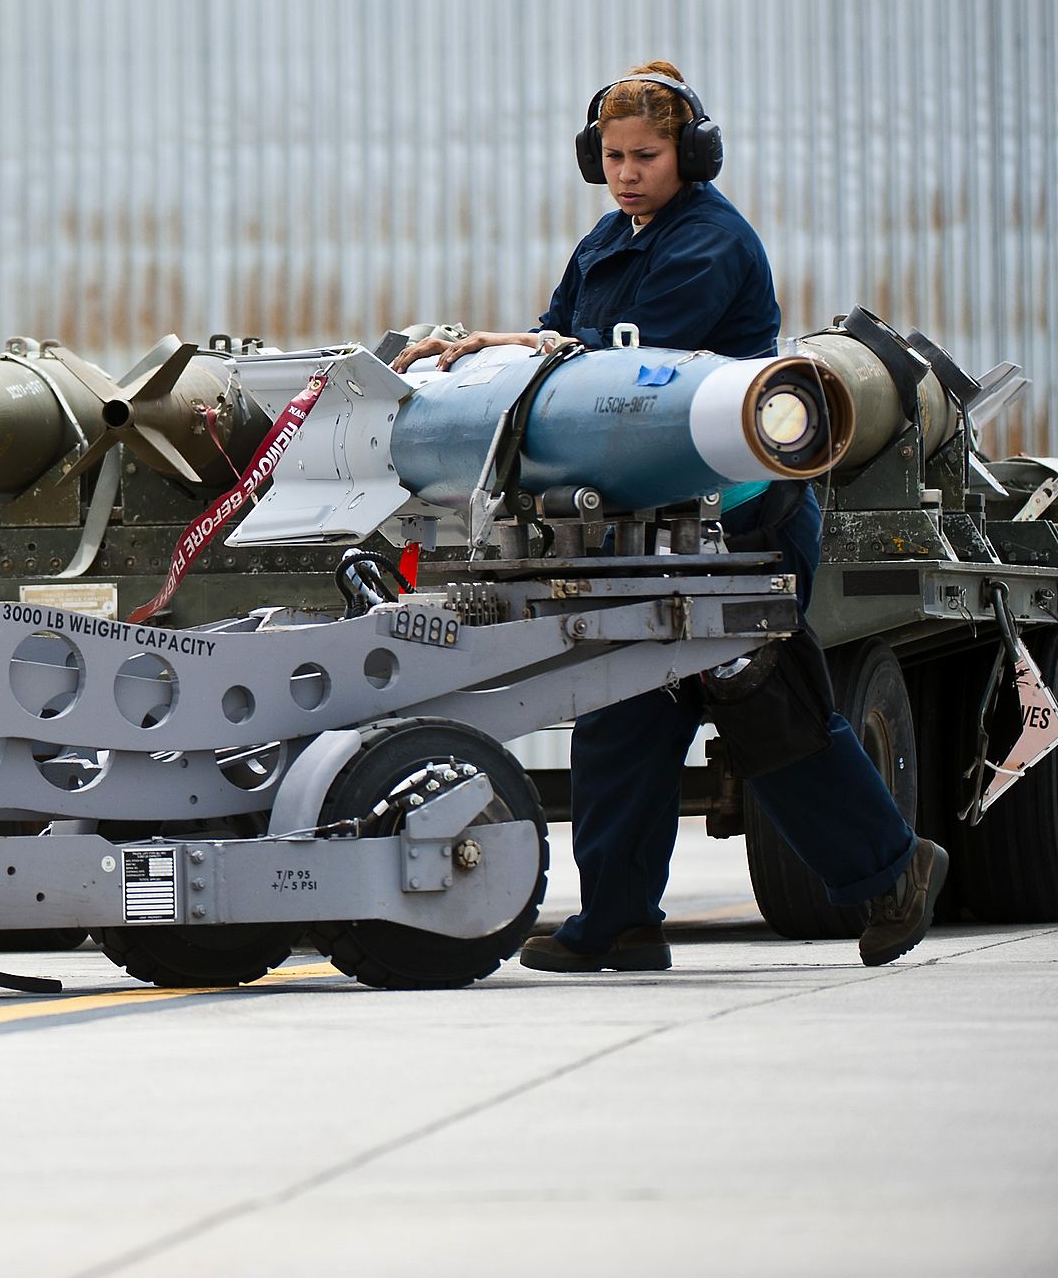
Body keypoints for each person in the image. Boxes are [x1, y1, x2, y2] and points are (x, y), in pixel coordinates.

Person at [391, 60, 949, 971]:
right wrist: (492, 346)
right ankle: (619, 921)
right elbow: (560, 331)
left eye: (646, 154)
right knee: (623, 708)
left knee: (765, 705)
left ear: (689, 154)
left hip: (740, 517)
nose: (625, 172)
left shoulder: (711, 242)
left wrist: (526, 346)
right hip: (653, 515)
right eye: (611, 155)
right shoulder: (610, 238)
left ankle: (893, 871)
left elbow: (638, 366)